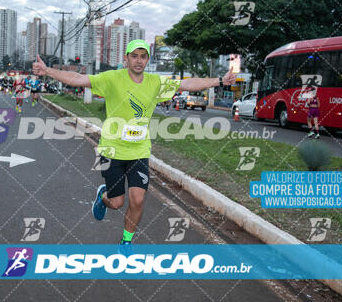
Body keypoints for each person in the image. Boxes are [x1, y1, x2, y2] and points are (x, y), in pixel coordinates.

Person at [32, 39, 237, 255]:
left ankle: (126, 242)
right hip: (112, 150)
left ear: (147, 59)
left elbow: (186, 84)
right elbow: (79, 79)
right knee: (117, 202)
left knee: (138, 199)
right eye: (134, 56)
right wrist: (48, 71)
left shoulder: (155, 82)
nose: (139, 61)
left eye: (143, 56)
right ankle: (103, 198)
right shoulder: (112, 78)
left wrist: (220, 81)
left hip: (139, 151)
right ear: (127, 58)